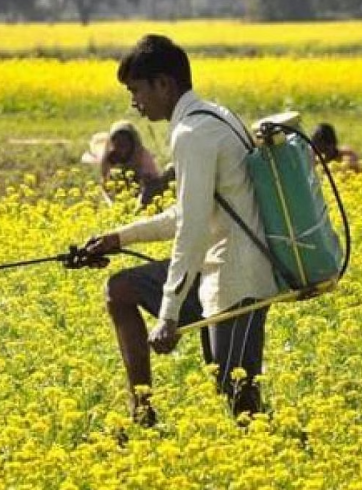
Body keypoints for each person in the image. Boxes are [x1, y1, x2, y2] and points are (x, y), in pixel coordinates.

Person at [85, 35, 279, 425]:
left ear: (164, 84)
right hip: (214, 273)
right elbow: (187, 213)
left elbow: (190, 229)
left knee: (239, 398)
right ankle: (143, 412)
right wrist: (119, 238)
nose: (134, 103)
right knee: (120, 289)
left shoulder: (193, 134)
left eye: (137, 90)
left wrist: (169, 315)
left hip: (237, 279)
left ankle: (291, 461)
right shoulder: (212, 116)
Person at [81, 121, 172, 208]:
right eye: (118, 144)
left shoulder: (142, 155)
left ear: (133, 142)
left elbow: (153, 181)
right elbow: (105, 183)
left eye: (125, 143)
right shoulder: (109, 157)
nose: (121, 149)